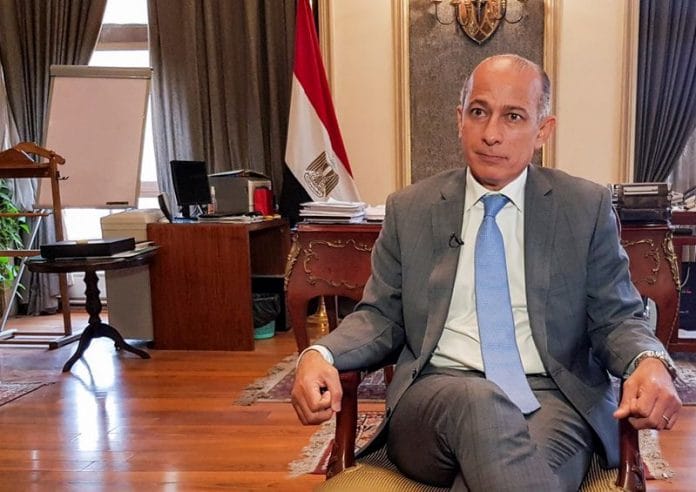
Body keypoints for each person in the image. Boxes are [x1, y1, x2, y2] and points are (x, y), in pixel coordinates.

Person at [291, 54, 682, 491]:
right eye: (479, 112)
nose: (491, 134)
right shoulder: (412, 209)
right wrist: (320, 354)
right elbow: (380, 315)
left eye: (513, 116)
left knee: (502, 472)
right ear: (460, 120)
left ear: (543, 130)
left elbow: (616, 318)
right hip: (435, 401)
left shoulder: (583, 208)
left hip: (552, 401)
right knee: (477, 402)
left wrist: (648, 360)